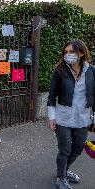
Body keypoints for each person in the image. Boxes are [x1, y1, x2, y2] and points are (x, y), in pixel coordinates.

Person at [47, 40, 95, 189]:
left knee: (78, 148)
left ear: (81, 53)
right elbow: (52, 96)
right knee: (65, 149)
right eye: (65, 52)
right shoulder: (60, 70)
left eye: (71, 52)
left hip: (83, 117)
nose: (67, 55)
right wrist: (51, 117)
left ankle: (63, 170)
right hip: (63, 117)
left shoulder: (92, 71)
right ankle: (60, 178)